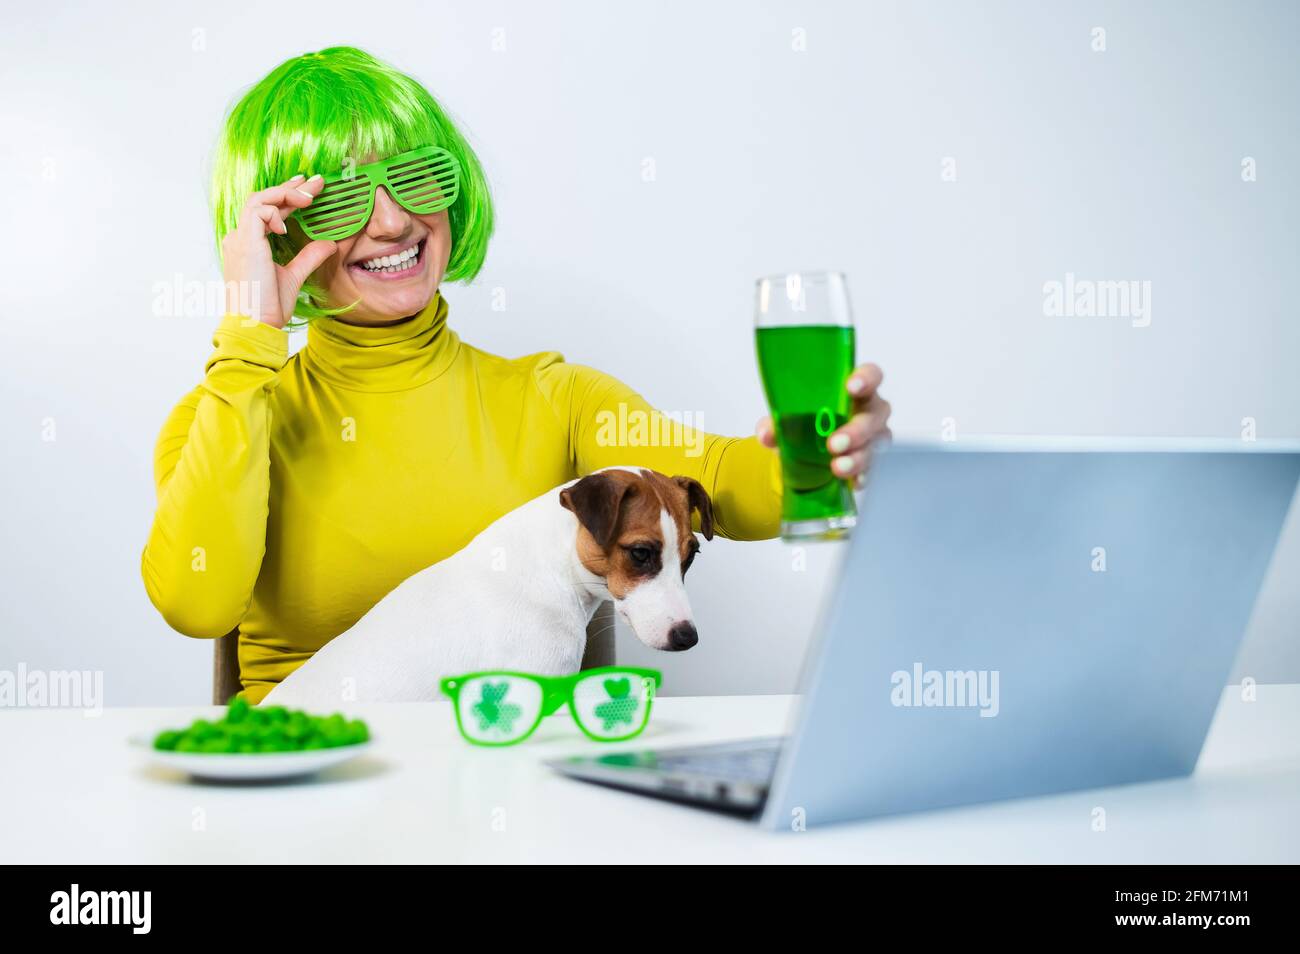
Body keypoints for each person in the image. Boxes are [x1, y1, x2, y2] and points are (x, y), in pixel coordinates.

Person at [141, 47, 892, 703]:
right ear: (277, 232)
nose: (395, 222)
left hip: (513, 784)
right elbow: (196, 604)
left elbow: (727, 485)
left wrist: (823, 453)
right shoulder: (226, 415)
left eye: (418, 178)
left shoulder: (556, 400)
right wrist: (249, 339)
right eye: (340, 197)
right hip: (310, 785)